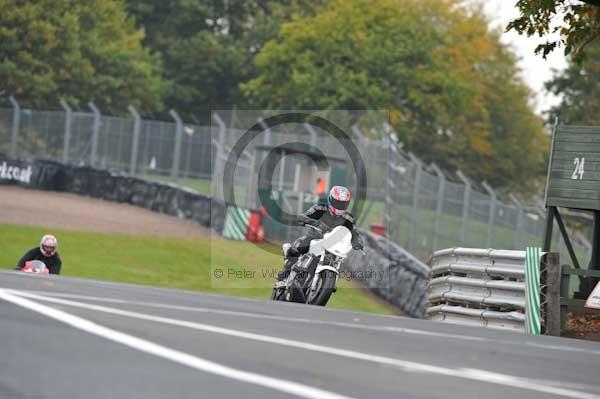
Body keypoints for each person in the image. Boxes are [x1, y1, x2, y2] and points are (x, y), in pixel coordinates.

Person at [276, 186, 363, 281]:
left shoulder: (348, 218)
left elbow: (354, 232)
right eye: (337, 203)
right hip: (314, 238)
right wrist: (315, 223)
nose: (339, 206)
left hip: (333, 246)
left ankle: (327, 282)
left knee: (339, 261)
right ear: (330, 199)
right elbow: (303, 216)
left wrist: (357, 242)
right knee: (300, 246)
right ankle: (286, 271)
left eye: (342, 204)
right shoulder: (319, 208)